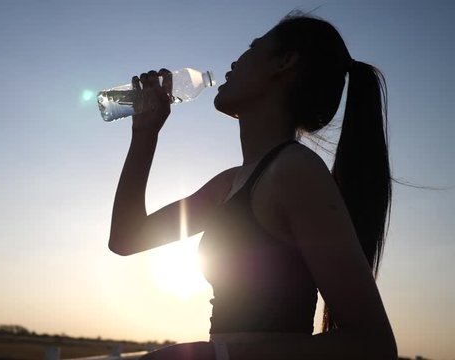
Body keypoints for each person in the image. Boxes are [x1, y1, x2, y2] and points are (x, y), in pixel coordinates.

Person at [108, 12, 397, 360]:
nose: (234, 61)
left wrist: (216, 355)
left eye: (252, 48)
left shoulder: (294, 171)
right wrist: (145, 134)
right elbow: (126, 238)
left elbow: (374, 346)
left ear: (285, 62)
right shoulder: (233, 181)